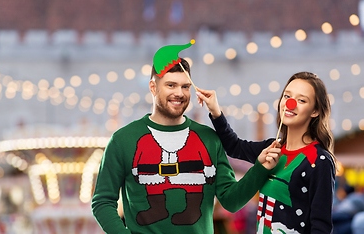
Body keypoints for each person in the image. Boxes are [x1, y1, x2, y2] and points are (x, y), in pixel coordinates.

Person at [91, 45, 281, 233]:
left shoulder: (208, 139)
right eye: (171, 85)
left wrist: (260, 168)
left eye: (185, 86)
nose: (179, 93)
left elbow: (231, 201)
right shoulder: (123, 140)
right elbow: (102, 202)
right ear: (153, 87)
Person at [196, 72, 336, 234]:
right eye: (287, 96)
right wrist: (216, 111)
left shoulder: (320, 161)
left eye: (302, 100)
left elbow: (321, 226)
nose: (290, 104)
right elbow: (234, 147)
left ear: (315, 111)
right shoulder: (271, 148)